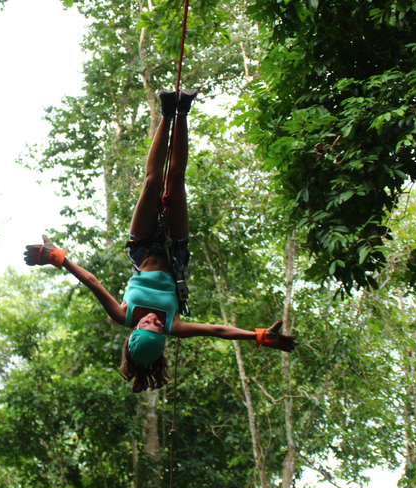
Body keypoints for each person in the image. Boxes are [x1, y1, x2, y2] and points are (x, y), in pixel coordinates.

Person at [25, 89, 297, 393]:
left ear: (134, 331)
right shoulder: (174, 326)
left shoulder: (123, 315)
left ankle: (167, 111)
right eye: (156, 326)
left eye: (147, 325)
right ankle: (182, 110)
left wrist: (58, 258)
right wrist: (258, 336)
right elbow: (219, 330)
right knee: (176, 180)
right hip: (175, 250)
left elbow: (92, 282)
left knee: (153, 182)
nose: (154, 320)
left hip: (141, 248)